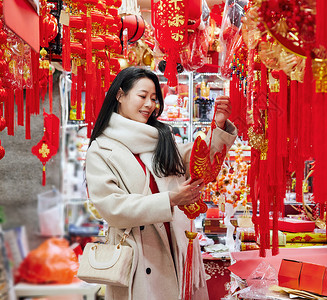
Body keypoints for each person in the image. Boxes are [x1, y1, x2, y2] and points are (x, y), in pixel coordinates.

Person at [85, 66, 237, 300]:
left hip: (178, 244)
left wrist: (217, 127)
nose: (149, 104)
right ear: (120, 95)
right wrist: (171, 200)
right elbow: (113, 208)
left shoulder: (161, 138)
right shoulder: (101, 150)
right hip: (139, 255)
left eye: (154, 98)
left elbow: (200, 163)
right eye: (142, 96)